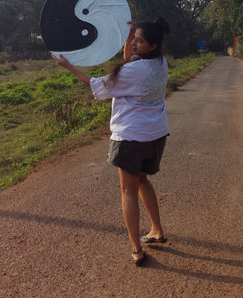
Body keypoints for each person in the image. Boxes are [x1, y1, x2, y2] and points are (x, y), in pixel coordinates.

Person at [53, 18, 170, 267]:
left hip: (130, 137)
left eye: (139, 40)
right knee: (142, 181)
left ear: (152, 45)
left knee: (128, 190)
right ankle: (157, 230)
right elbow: (129, 60)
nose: (134, 44)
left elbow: (97, 85)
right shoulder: (160, 63)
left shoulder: (131, 71)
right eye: (134, 39)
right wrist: (128, 36)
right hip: (155, 134)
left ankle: (137, 251)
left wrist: (68, 66)